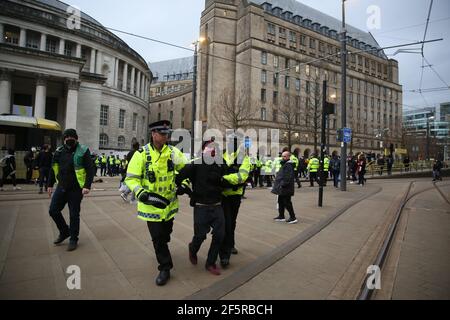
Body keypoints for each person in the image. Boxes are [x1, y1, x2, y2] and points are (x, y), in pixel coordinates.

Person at [125, 120, 187, 286]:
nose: (166, 136)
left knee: (166, 234)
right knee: (158, 238)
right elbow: (131, 178)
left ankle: (163, 245)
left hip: (169, 204)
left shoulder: (174, 152)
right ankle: (165, 267)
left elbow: (186, 171)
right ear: (153, 134)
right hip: (150, 204)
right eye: (162, 133)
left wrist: (184, 184)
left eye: (167, 133)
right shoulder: (140, 154)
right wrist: (140, 192)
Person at [176, 140, 227, 275]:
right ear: (203, 150)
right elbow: (180, 176)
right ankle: (193, 249)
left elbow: (228, 176)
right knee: (200, 235)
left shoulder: (221, 163)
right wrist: (186, 190)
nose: (213, 150)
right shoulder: (195, 163)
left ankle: (210, 263)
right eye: (210, 147)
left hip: (217, 206)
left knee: (220, 235)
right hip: (201, 207)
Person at [48, 129, 94, 251]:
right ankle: (64, 231)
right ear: (64, 139)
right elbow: (53, 168)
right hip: (61, 186)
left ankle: (73, 238)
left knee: (74, 215)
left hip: (76, 189)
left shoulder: (83, 150)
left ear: (76, 138)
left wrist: (87, 186)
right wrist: (49, 185)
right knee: (53, 210)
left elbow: (90, 169)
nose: (69, 139)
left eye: (71, 137)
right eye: (66, 137)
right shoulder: (59, 151)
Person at [218, 135, 251, 268]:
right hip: (221, 195)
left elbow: (242, 176)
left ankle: (230, 245)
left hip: (234, 195)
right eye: (230, 142)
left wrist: (223, 179)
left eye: (235, 143)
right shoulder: (221, 155)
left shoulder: (244, 157)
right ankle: (225, 250)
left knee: (231, 222)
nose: (232, 145)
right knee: (225, 222)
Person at [272, 151, 298, 224]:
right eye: (282, 156)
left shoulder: (288, 165)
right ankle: (281, 216)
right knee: (280, 201)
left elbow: (288, 177)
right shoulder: (285, 164)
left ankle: (293, 217)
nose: (282, 158)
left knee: (287, 202)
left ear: (288, 157)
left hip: (286, 188)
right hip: (282, 187)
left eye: (284, 156)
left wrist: (282, 184)